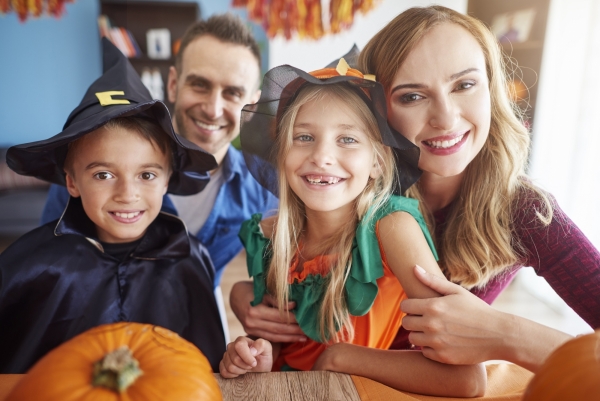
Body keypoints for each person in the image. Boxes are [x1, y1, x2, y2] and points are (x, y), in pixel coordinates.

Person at [230, 5, 600, 373]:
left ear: (492, 89)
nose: (446, 117)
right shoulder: (350, 185)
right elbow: (296, 269)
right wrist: (245, 296)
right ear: (375, 112)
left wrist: (507, 333)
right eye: (412, 96)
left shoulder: (526, 212)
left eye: (465, 85)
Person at [219, 61, 486, 397]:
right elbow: (277, 354)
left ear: (376, 162)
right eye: (304, 137)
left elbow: (467, 379)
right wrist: (256, 357)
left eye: (346, 139)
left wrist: (340, 357)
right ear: (282, 153)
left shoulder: (391, 227)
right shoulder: (270, 237)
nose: (322, 156)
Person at [0, 38, 225, 373]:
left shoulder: (190, 259)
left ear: (167, 181)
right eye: (104, 174)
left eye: (146, 174)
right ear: (72, 182)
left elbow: (207, 371)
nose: (127, 193)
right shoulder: (30, 265)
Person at [40, 13, 278, 288]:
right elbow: (50, 261)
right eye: (200, 85)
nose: (213, 110)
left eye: (232, 93)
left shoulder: (261, 189)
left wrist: (243, 294)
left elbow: (278, 270)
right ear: (174, 84)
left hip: (200, 320)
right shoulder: (93, 165)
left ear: (252, 104)